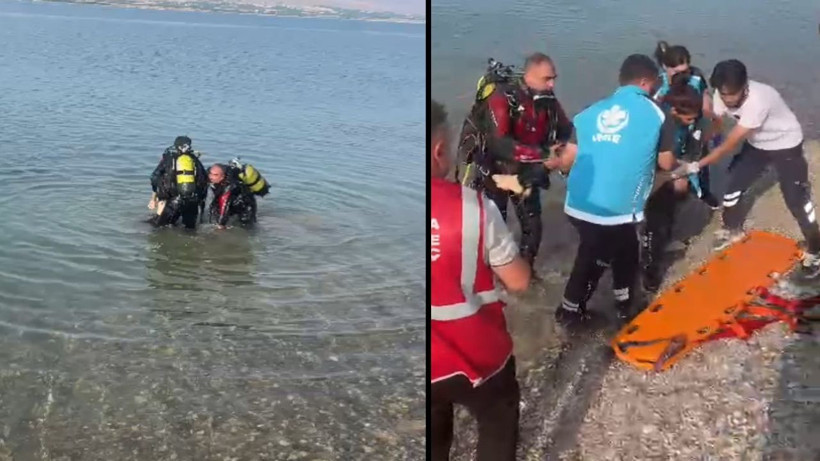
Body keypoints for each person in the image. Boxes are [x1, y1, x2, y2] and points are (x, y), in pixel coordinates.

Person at [545, 54, 680, 327]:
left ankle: (622, 301)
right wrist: (680, 167)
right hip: (616, 210)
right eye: (653, 85)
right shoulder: (657, 113)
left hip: (577, 203)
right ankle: (571, 311)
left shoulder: (589, 111)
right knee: (598, 256)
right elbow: (666, 163)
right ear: (645, 82)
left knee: (622, 247)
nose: (654, 91)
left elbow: (568, 159)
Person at [430, 99, 531, 461]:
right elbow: (518, 281)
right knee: (497, 418)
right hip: (477, 355)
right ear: (440, 150)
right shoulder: (473, 206)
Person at [673, 59, 820, 278]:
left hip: (785, 144)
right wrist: (701, 139)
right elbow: (717, 125)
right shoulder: (720, 95)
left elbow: (728, 145)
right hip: (757, 144)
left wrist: (695, 165)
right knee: (732, 187)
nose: (728, 99)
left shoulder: (759, 100)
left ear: (745, 86)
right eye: (723, 94)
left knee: (796, 200)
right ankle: (732, 230)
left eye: (733, 94)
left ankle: (815, 250)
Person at [458, 53, 574, 269]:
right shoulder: (502, 99)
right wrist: (541, 154)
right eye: (547, 79)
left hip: (525, 174)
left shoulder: (549, 103)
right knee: (493, 228)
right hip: (494, 172)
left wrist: (567, 153)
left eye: (554, 78)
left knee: (533, 226)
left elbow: (567, 131)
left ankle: (525, 273)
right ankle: (488, 276)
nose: (552, 84)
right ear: (529, 77)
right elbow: (499, 144)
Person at [641, 81, 706, 292]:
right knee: (652, 224)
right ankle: (649, 274)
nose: (691, 122)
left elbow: (689, 150)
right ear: (674, 111)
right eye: (688, 119)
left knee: (669, 210)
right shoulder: (657, 124)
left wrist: (682, 172)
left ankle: (664, 241)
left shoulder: (689, 125)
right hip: (649, 177)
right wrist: (675, 171)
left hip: (668, 174)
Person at [652, 41, 720, 209]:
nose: (684, 75)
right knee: (670, 167)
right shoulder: (658, 87)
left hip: (694, 124)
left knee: (700, 158)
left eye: (686, 70)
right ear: (665, 67)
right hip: (671, 130)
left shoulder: (696, 76)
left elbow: (704, 94)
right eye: (677, 72)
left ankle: (703, 192)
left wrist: (708, 111)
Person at [149, 136, 208, 229]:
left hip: (174, 202)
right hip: (192, 201)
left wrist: (154, 198)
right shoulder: (194, 160)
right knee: (190, 230)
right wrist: (200, 201)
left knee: (161, 228)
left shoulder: (168, 158)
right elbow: (204, 180)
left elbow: (154, 178)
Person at [208, 163, 257, 229]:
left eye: (215, 175)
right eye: (210, 173)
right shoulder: (213, 178)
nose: (211, 177)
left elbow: (224, 207)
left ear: (222, 177)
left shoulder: (228, 188)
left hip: (246, 205)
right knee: (215, 209)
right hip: (233, 201)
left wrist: (221, 225)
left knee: (246, 226)